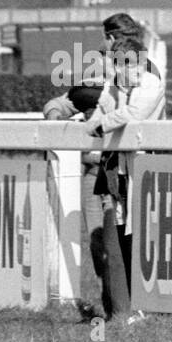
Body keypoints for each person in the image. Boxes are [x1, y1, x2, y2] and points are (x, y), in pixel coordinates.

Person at [86, 36, 165, 322]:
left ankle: (147, 306)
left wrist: (100, 125)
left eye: (131, 64)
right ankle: (122, 311)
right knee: (117, 240)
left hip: (144, 166)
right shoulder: (113, 86)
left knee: (141, 237)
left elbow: (134, 113)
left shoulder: (151, 83)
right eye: (120, 65)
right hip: (116, 168)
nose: (126, 71)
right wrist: (95, 122)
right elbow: (99, 112)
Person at [43, 81, 106, 320]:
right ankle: (109, 305)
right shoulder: (94, 80)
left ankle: (129, 304)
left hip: (123, 169)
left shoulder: (142, 77)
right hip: (93, 172)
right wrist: (56, 120)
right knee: (97, 242)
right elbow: (58, 104)